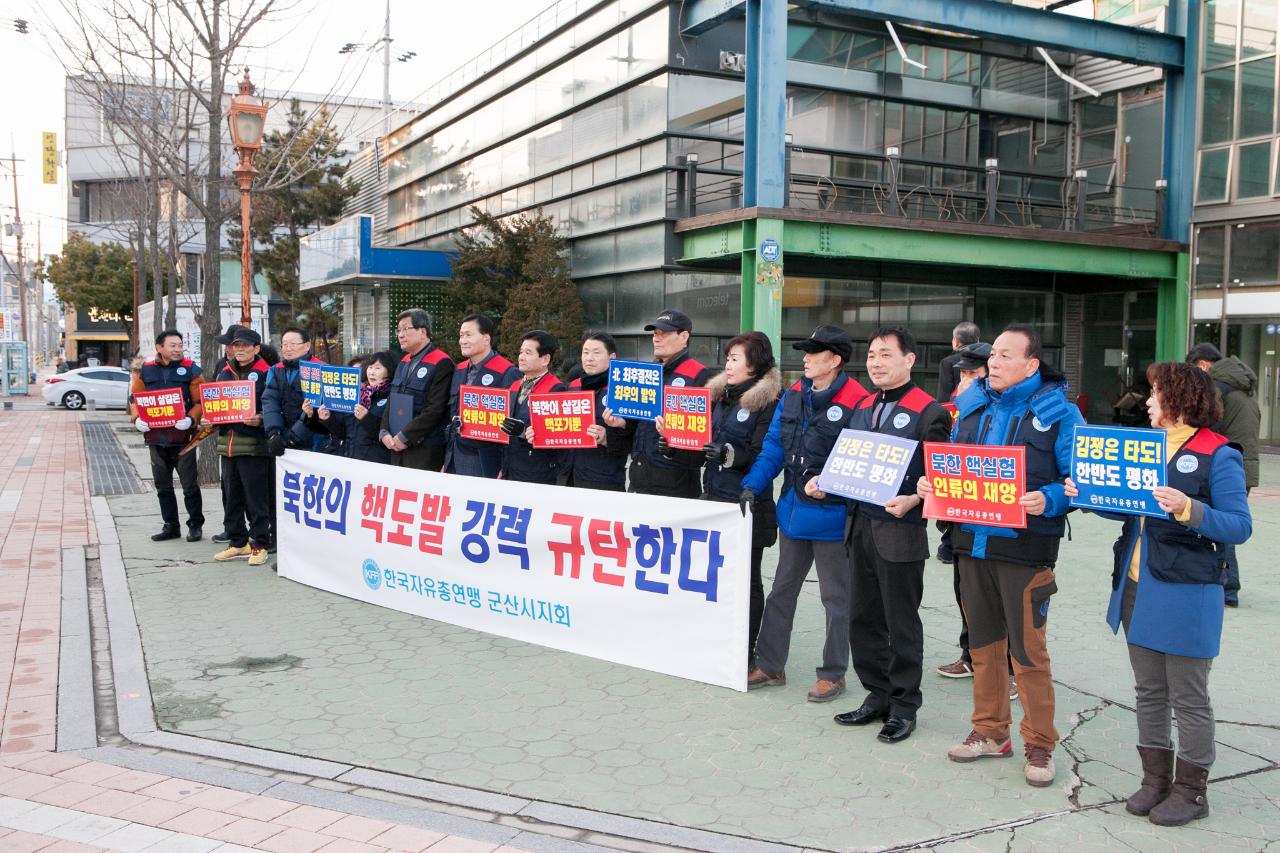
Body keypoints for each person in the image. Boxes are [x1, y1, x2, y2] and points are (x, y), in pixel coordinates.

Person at [1065, 362, 1251, 827]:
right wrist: (1087, 493)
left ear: (1180, 399)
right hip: (1135, 586)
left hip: (1187, 589)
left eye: (1154, 394)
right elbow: (1130, 510)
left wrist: (1190, 509)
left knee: (1187, 695)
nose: (1147, 402)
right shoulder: (1143, 449)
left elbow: (1239, 525)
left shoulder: (1218, 454)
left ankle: (1192, 790)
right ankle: (1155, 781)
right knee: (1149, 691)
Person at [918, 323, 1083, 788]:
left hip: (1025, 550)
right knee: (984, 646)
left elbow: (1079, 482)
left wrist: (1048, 499)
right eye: (994, 355)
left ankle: (1039, 742)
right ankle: (990, 731)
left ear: (1032, 364)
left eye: (1006, 355)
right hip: (971, 544)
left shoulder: (1061, 414)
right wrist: (932, 485)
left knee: (1028, 653)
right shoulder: (972, 407)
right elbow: (951, 462)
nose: (994, 362)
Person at [811, 326, 952, 744]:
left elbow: (939, 477)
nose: (876, 362)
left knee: (900, 622)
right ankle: (877, 695)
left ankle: (905, 706)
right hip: (859, 528)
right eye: (872, 355)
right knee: (862, 619)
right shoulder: (864, 406)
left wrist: (913, 499)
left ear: (909, 360)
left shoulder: (930, 412)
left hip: (900, 532)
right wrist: (825, 480)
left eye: (886, 355)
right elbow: (848, 462)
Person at [741, 325, 870, 703]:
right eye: (806, 351)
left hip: (834, 518)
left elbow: (859, 461)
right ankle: (770, 664)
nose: (806, 358)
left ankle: (833, 673)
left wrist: (831, 484)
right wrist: (752, 483)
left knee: (836, 598)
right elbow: (773, 447)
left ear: (836, 359)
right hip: (793, 513)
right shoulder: (794, 394)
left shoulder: (858, 401)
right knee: (782, 590)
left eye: (815, 352)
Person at [701, 332, 781, 667]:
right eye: (728, 357)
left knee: (747, 581)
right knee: (715, 578)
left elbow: (766, 452)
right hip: (714, 501)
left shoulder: (770, 402)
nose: (729, 364)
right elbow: (703, 438)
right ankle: (716, 640)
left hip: (748, 504)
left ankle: (747, 652)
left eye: (736, 358)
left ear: (756, 363)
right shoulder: (720, 397)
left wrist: (730, 454)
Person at [609, 310, 715, 498]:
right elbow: (636, 426)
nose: (656, 339)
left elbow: (702, 440)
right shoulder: (646, 374)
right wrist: (621, 424)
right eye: (655, 334)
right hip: (638, 480)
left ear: (684, 337)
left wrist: (672, 433)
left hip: (676, 486)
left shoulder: (700, 375)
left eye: (664, 334)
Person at [1186, 342, 1260, 607]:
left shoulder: (1220, 388)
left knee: (1222, 527)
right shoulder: (1240, 389)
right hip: (1243, 464)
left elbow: (1208, 425)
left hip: (1228, 466)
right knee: (1226, 523)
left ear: (1203, 365)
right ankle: (1230, 587)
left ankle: (1228, 590)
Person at [130, 329, 205, 542]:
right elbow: (135, 398)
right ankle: (171, 525)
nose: (178, 349)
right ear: (159, 348)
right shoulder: (146, 370)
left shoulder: (191, 369)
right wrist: (137, 419)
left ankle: (195, 525)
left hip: (184, 439)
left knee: (189, 485)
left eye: (180, 345)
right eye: (173, 345)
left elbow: (201, 401)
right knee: (163, 485)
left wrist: (191, 419)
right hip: (156, 438)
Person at [212, 327, 272, 567]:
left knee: (256, 498)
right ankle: (238, 542)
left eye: (245, 346)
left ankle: (260, 544)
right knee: (231, 497)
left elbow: (275, 406)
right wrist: (210, 417)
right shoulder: (224, 373)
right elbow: (214, 403)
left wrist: (261, 418)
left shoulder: (267, 373)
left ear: (256, 349)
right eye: (236, 346)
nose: (240, 350)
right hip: (227, 445)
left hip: (254, 446)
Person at [446, 314, 521, 477]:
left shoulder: (507, 372)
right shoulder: (459, 369)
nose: (462, 341)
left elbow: (511, 424)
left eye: (468, 335)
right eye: (461, 335)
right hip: (455, 455)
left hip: (485, 460)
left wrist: (505, 465)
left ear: (486, 339)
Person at [380, 309, 455, 470]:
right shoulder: (404, 362)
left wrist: (405, 437)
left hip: (424, 449)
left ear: (422, 332)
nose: (400, 335)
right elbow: (392, 399)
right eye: (398, 330)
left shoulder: (442, 362)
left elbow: (435, 409)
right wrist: (384, 431)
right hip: (395, 446)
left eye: (406, 329)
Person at [565, 332, 631, 491]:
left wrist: (607, 438)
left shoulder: (624, 389)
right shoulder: (572, 386)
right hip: (569, 476)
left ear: (612, 357)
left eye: (596, 352)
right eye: (585, 352)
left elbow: (635, 437)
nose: (589, 358)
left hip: (604, 479)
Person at [500, 331, 568, 484]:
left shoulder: (555, 389)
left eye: (528, 353)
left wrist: (524, 433)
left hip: (538, 472)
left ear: (545, 359)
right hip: (510, 468)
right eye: (521, 352)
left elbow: (559, 437)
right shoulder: (514, 386)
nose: (521, 357)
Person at [317, 352, 396, 464]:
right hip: (352, 461)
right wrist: (328, 419)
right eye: (370, 367)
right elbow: (345, 434)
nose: (372, 372)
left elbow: (390, 436)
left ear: (389, 371)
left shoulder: (392, 397)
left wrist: (366, 418)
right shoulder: (360, 397)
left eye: (377, 368)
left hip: (376, 464)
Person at [263, 327, 327, 455]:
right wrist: (274, 432)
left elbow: (317, 406)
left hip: (314, 439)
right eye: (284, 345)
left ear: (307, 345)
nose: (288, 348)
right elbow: (270, 402)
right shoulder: (276, 370)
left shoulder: (322, 369)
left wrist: (294, 436)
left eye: (293, 344)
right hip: (283, 439)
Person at [936, 321, 980, 402]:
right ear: (978, 341)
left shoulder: (948, 362)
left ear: (956, 341)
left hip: (957, 410)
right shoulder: (987, 359)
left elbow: (944, 397)